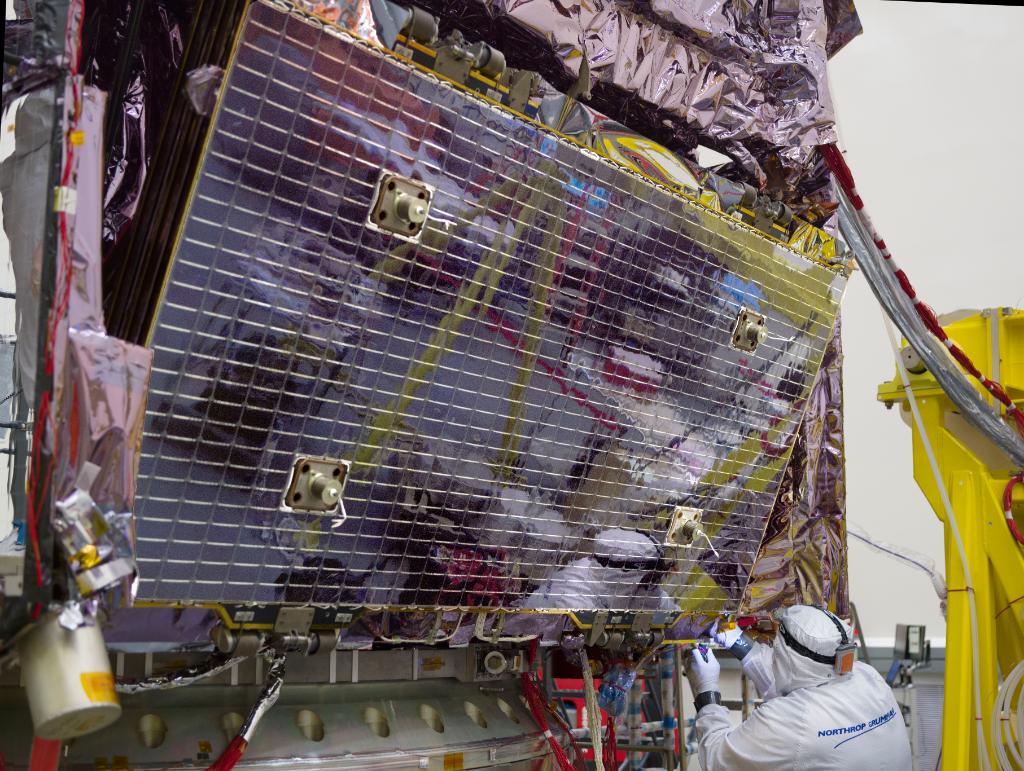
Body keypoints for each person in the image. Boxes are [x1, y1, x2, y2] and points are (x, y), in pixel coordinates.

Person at [687, 605, 912, 770]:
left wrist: (706, 691)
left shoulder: (793, 722)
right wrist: (735, 638)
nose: (772, 654)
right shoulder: (867, 676)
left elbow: (717, 760)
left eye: (777, 648)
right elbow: (799, 681)